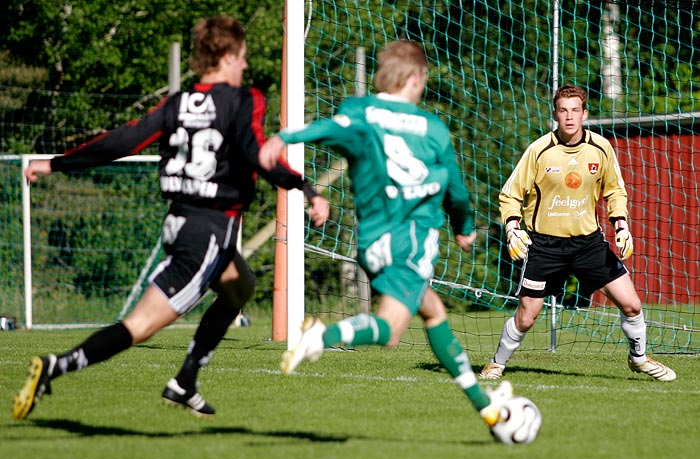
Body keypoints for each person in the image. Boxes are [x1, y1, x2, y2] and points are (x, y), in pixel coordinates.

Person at [13, 14, 330, 420]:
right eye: (244, 57)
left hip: (181, 222)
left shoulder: (177, 103)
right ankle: (55, 366)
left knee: (240, 287)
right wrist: (304, 188)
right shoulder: (244, 100)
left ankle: (185, 383)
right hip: (208, 234)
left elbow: (123, 139)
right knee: (140, 326)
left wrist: (55, 164)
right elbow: (256, 154)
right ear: (229, 57)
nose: (246, 66)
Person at [258, 40, 514, 432]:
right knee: (391, 331)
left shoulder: (359, 112)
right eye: (423, 78)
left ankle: (486, 406)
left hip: (371, 245)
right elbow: (457, 193)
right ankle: (321, 336)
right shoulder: (432, 128)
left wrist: (285, 138)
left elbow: (329, 128)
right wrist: (463, 228)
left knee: (433, 311)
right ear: (414, 77)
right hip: (410, 240)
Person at [479, 83, 676, 382]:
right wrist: (512, 228)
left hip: (588, 245)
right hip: (545, 246)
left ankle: (639, 358)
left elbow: (615, 191)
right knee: (527, 317)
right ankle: (496, 363)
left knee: (632, 304)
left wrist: (621, 225)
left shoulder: (601, 148)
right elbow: (510, 195)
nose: (569, 117)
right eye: (563, 110)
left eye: (575, 110)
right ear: (555, 115)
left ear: (584, 113)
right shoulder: (539, 150)